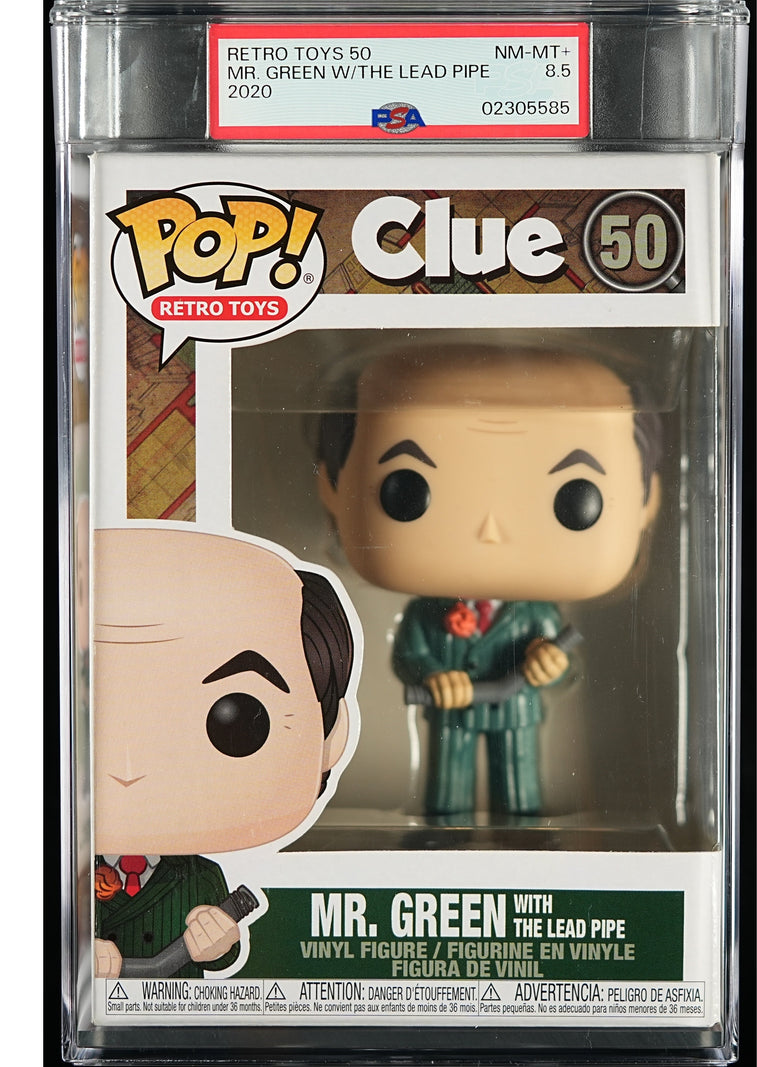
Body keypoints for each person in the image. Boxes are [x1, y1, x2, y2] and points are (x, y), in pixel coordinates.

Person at [317, 343, 661, 815]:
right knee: (446, 792)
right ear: (332, 484)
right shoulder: (427, 613)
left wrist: (554, 668)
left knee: (519, 790)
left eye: (575, 497)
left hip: (517, 714)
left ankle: (524, 839)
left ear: (646, 497)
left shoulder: (536, 614)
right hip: (450, 714)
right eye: (408, 490)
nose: (491, 529)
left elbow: (564, 666)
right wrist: (433, 676)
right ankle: (441, 839)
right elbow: (408, 655)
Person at [92, 527, 355, 977]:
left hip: (185, 1015)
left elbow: (225, 956)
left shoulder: (201, 877)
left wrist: (219, 940)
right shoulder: (66, 872)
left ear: (330, 737)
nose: (128, 769)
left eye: (234, 722)